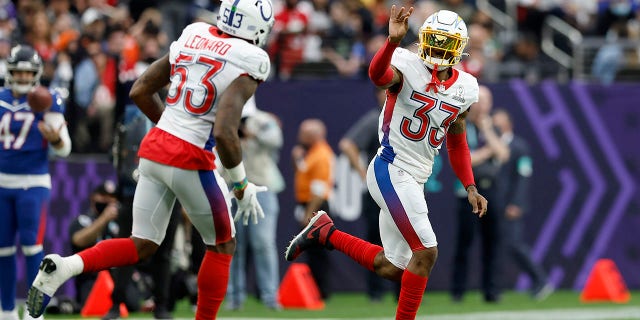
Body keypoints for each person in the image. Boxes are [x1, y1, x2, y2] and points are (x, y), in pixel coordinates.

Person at [26, 0, 275, 318]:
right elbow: (227, 133)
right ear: (256, 27)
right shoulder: (251, 58)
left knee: (142, 243)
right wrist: (241, 184)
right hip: (191, 157)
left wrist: (171, 129)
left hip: (154, 150)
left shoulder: (194, 33)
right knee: (222, 245)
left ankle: (66, 266)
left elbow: (140, 90)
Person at [286, 7, 488, 319]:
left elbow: (457, 139)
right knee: (427, 252)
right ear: (422, 40)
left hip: (415, 178)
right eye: (434, 40)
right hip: (391, 167)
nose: (438, 48)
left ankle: (326, 233)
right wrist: (392, 42)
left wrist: (470, 185)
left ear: (458, 48)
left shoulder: (466, 88)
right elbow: (377, 75)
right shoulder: (406, 64)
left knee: (393, 267)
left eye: (445, 42)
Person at [0, 45, 71, 320]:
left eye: (27, 71)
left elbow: (65, 148)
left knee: (32, 246)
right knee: (3, 248)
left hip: (33, 181)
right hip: (2, 182)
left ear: (36, 73)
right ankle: (5, 311)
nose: (22, 76)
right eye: (18, 70)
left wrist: (54, 138)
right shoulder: (2, 98)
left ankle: (33, 313)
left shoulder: (47, 100)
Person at [224, 98, 285, 311]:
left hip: (262, 187)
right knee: (234, 245)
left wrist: (252, 133)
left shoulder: (264, 120)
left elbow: (276, 140)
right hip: (234, 189)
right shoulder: (225, 121)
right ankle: (234, 297)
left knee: (263, 243)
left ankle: (270, 297)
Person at [450, 85, 508, 304]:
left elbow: (503, 154)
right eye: (480, 100)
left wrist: (488, 132)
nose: (483, 105)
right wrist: (487, 151)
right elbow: (468, 161)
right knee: (464, 243)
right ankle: (458, 291)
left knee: (492, 244)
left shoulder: (493, 127)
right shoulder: (460, 124)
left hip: (491, 190)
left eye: (487, 101)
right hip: (467, 193)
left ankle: (491, 291)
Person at [492, 108, 554, 301]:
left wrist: (516, 203)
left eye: (499, 121)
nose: (495, 124)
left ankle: (541, 280)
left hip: (510, 206)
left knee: (514, 244)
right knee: (496, 246)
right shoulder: (490, 145)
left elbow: (523, 177)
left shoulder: (520, 147)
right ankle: (495, 290)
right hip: (495, 204)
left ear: (508, 124)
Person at [338, 87, 393, 302]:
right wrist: (364, 174)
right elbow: (347, 144)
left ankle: (403, 289)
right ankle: (376, 291)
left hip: (402, 188)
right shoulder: (376, 120)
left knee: (406, 240)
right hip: (379, 191)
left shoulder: (401, 118)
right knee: (376, 241)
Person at [291, 118, 335, 299]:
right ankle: (314, 289)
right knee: (311, 251)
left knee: (318, 252)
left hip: (316, 207)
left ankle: (321, 291)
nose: (300, 137)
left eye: (304, 134)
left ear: (314, 136)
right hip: (308, 205)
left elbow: (318, 189)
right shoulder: (311, 153)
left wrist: (310, 213)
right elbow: (303, 174)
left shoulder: (321, 155)